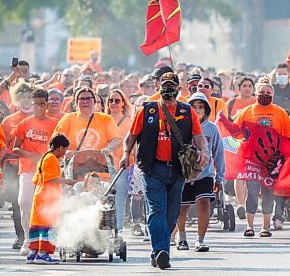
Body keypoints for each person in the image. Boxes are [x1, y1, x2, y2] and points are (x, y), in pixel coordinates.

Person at [119, 72, 209, 270]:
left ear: (178, 88)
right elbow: (131, 136)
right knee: (156, 210)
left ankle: (157, 251)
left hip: (177, 170)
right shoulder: (147, 110)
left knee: (171, 214)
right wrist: (126, 154)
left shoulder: (187, 111)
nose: (168, 89)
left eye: (171, 85)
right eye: (164, 85)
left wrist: (204, 151)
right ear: (159, 86)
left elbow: (199, 136)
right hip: (153, 169)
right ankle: (162, 251)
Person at [233, 77, 290, 238]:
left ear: (273, 94)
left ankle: (265, 227)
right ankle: (249, 226)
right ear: (256, 93)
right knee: (253, 192)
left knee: (268, 193)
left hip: (272, 162)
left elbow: (289, 135)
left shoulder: (280, 113)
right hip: (252, 160)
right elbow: (235, 131)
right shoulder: (247, 112)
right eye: (262, 92)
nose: (265, 95)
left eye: (268, 92)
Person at [176, 92, 225, 252]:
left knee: (204, 203)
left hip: (205, 174)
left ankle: (200, 240)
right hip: (184, 174)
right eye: (193, 107)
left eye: (201, 107)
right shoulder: (181, 127)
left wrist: (220, 177)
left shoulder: (211, 129)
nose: (197, 110)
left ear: (206, 109)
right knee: (182, 207)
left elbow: (218, 153)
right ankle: (181, 236)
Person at [13, 88, 58, 256]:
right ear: (31, 105)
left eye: (42, 104)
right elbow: (15, 147)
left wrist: (47, 156)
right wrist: (29, 154)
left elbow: (59, 148)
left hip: (47, 170)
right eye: (36, 104)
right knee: (24, 202)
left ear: (46, 104)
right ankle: (27, 239)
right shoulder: (24, 123)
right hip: (27, 168)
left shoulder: (54, 123)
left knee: (46, 206)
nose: (39, 107)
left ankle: (45, 240)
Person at [26, 133, 75, 264]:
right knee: (48, 226)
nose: (64, 153)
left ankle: (33, 252)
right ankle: (43, 254)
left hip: (39, 194)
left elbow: (37, 179)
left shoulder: (44, 157)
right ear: (60, 148)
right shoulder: (52, 159)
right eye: (64, 149)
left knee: (37, 225)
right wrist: (67, 181)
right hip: (47, 197)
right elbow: (50, 178)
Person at [1, 81, 35, 249]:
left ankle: (35, 236)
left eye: (29, 96)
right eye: (23, 97)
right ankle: (20, 236)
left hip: (34, 167)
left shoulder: (40, 117)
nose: (26, 100)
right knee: (17, 202)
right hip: (13, 165)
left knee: (34, 202)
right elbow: (3, 144)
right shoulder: (9, 121)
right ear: (16, 98)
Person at [53, 87, 121, 162]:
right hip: (74, 167)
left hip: (100, 168)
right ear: (76, 103)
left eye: (88, 98)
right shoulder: (68, 118)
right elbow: (56, 140)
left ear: (94, 102)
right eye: (81, 99)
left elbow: (116, 139)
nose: (85, 101)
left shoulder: (105, 118)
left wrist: (108, 149)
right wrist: (65, 152)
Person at [226, 77, 256, 219]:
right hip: (236, 144)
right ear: (238, 88)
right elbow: (225, 123)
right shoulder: (231, 103)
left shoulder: (257, 103)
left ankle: (252, 202)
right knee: (239, 175)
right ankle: (240, 205)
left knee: (253, 176)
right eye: (244, 85)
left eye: (250, 86)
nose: (247, 88)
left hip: (255, 145)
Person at [105, 89, 133, 232]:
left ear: (123, 103)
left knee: (120, 199)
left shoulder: (128, 122)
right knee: (105, 198)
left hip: (123, 166)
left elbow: (134, 145)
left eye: (117, 100)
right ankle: (104, 230)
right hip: (105, 166)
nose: (114, 103)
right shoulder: (103, 119)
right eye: (111, 100)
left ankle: (119, 230)